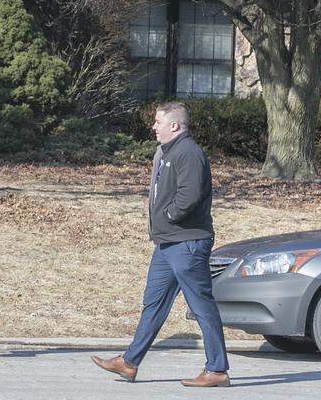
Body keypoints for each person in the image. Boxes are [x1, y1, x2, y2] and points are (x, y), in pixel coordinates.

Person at [91, 102, 230, 387]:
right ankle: (130, 362)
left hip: (187, 242)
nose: (154, 126)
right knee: (153, 304)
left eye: (158, 122)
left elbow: (189, 196)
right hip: (167, 244)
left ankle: (217, 370)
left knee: (201, 306)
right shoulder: (166, 151)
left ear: (174, 126)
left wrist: (168, 216)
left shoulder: (188, 152)